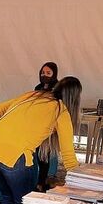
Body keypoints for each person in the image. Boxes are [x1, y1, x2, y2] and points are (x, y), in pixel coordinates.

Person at [0, 76, 81, 204]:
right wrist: (81, 184)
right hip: (16, 157)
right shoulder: (61, 110)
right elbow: (68, 155)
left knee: (8, 199)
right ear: (74, 98)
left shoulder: (32, 95)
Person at [33, 61, 60, 191]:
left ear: (54, 74)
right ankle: (38, 181)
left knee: (44, 156)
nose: (45, 75)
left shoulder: (58, 88)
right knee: (37, 155)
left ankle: (41, 182)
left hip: (49, 127)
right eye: (43, 73)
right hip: (37, 125)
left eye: (48, 73)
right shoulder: (38, 87)